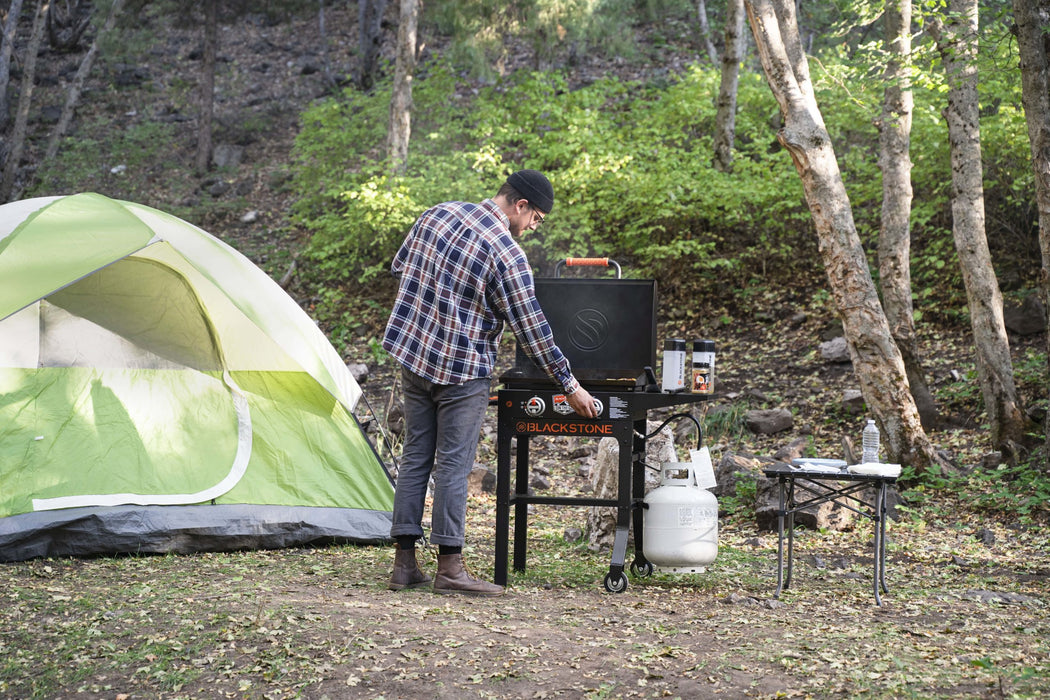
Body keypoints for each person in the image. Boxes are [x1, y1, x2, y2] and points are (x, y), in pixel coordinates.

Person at [382, 169, 597, 596]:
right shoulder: (506, 253)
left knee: (415, 458)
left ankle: (404, 565)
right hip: (463, 372)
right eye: (536, 217)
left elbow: (399, 268)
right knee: (453, 466)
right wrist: (570, 385)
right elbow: (532, 330)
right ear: (520, 206)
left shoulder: (436, 214)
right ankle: (450, 569)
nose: (535, 226)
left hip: (413, 358)